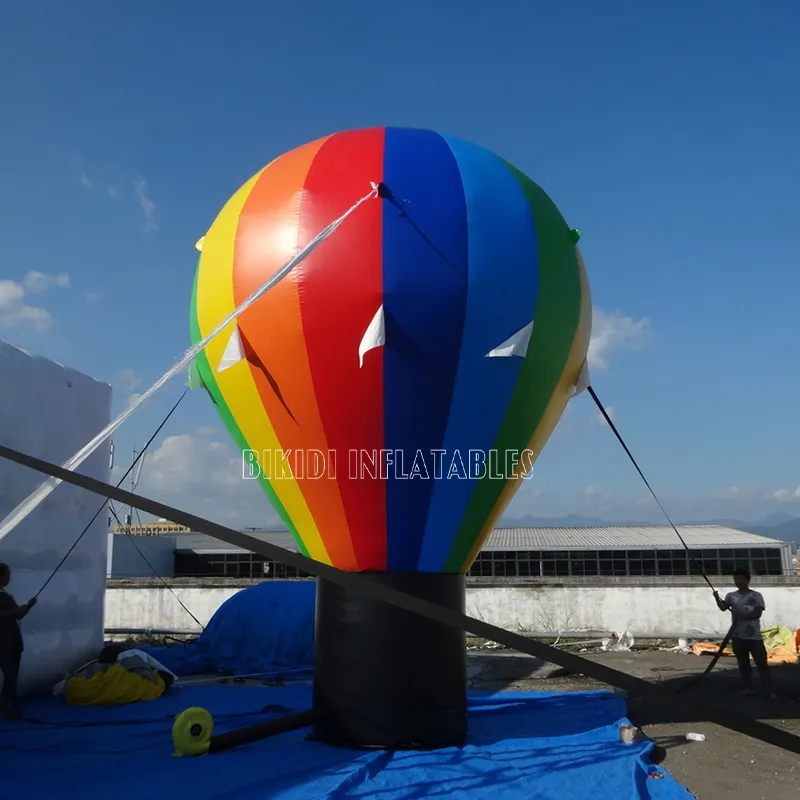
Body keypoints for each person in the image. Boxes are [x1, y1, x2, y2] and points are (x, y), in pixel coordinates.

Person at [714, 568, 776, 699]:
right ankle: (748, 688)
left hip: (754, 637)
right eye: (736, 579)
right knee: (743, 664)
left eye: (741, 579)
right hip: (737, 636)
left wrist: (743, 616)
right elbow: (723, 607)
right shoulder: (731, 596)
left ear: (748, 580)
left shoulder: (756, 596)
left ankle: (768, 689)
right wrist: (716, 598)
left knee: (761, 663)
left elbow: (757, 613)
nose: (738, 581)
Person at [0, 563, 37, 720]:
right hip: (3, 644)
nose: (9, 578)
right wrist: (15, 611)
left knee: (13, 676)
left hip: (13, 642)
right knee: (10, 675)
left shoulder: (7, 596)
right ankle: (7, 705)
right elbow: (12, 613)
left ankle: (10, 704)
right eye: (7, 575)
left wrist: (28, 607)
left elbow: (18, 615)